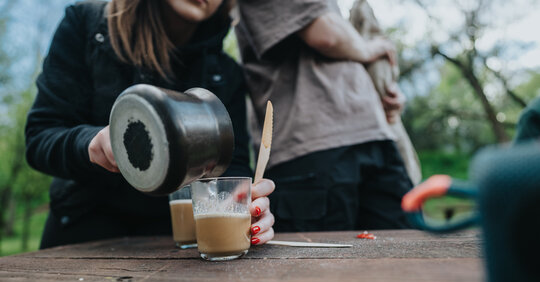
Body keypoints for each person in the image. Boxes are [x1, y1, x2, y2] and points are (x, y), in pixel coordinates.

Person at [25, 0, 275, 249]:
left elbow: (231, 168)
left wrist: (243, 204)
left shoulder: (226, 72)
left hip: (176, 250)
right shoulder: (86, 24)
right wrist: (91, 143)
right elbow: (40, 135)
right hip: (82, 235)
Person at [235, 0, 413, 232]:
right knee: (323, 264)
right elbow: (325, 34)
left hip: (370, 135)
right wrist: (369, 48)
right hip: (311, 148)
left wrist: (380, 93)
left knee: (404, 254)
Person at [349, 0, 422, 185]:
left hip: (383, 139)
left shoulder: (377, 44)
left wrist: (395, 98)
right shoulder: (373, 45)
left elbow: (386, 90)